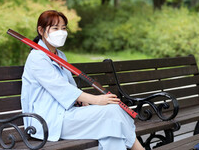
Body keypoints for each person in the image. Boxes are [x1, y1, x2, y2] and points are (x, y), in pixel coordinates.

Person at [21, 10, 144, 150]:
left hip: (66, 114)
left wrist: (82, 100)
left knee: (111, 129)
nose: (60, 32)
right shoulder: (37, 58)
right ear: (41, 30)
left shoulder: (59, 55)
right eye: (55, 28)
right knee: (112, 112)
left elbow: (71, 86)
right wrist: (96, 100)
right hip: (48, 121)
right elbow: (61, 89)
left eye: (63, 28)